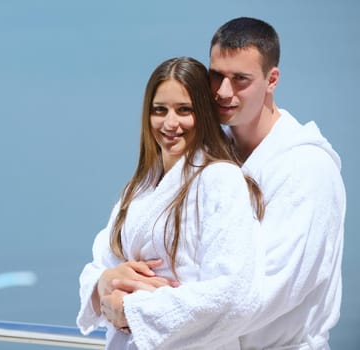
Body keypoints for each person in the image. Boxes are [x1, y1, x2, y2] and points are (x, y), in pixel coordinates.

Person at [89, 17, 346, 349]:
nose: (224, 92)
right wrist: (106, 283)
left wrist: (137, 308)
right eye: (217, 76)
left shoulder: (306, 168)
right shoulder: (203, 153)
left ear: (272, 79)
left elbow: (263, 292)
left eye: (241, 79)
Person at [77, 56, 265, 349]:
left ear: (203, 114)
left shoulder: (220, 180)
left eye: (184, 110)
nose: (170, 123)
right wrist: (103, 282)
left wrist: (133, 310)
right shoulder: (139, 188)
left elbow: (233, 293)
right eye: (159, 110)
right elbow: (100, 263)